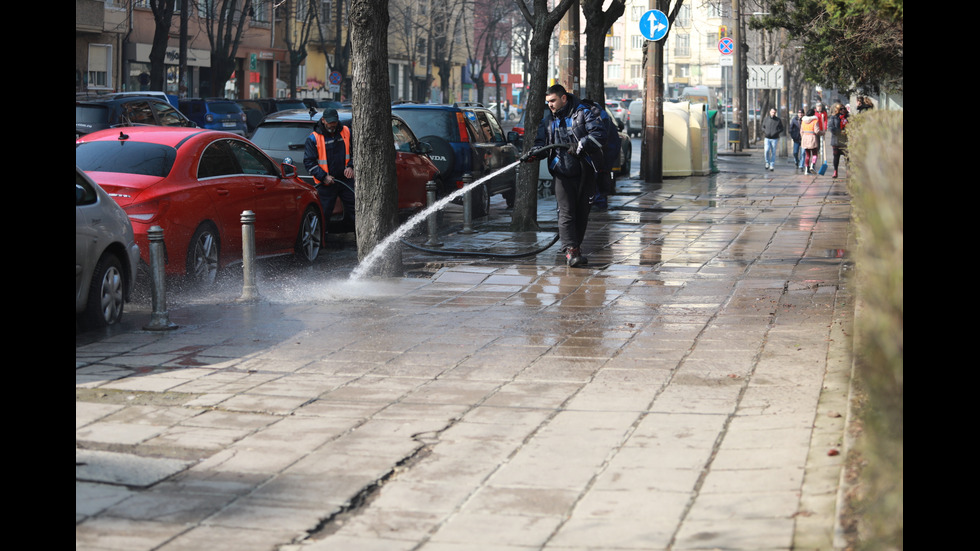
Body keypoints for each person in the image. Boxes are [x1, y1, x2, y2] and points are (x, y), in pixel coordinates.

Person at [521, 84, 606, 267]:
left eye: (553, 101)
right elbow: (541, 144)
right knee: (566, 212)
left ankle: (575, 247)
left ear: (564, 98)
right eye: (548, 102)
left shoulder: (584, 112)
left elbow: (599, 134)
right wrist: (534, 153)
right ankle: (571, 251)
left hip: (585, 171)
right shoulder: (548, 121)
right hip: (562, 172)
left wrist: (581, 145)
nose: (550, 105)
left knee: (582, 213)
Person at [304, 108, 355, 228]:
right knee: (323, 214)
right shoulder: (313, 138)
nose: (332, 125)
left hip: (345, 181)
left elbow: (355, 152)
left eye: (334, 122)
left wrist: (350, 166)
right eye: (330, 123)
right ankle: (323, 242)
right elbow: (309, 162)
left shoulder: (346, 132)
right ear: (323, 120)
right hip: (326, 184)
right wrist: (323, 177)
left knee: (355, 210)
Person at [828, 102, 849, 179]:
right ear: (838, 110)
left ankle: (848, 171)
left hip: (846, 141)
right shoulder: (834, 117)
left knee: (847, 157)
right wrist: (840, 132)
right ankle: (835, 171)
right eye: (841, 109)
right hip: (836, 140)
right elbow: (830, 127)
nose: (843, 110)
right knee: (836, 157)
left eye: (844, 109)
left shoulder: (848, 117)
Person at [800, 108, 821, 174]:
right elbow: (817, 131)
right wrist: (822, 132)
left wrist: (803, 137)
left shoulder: (803, 121)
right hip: (812, 138)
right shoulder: (815, 121)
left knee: (807, 155)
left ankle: (806, 169)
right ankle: (812, 165)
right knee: (815, 154)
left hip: (805, 138)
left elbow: (801, 131)